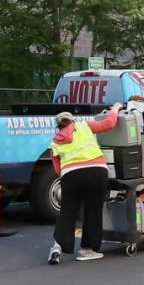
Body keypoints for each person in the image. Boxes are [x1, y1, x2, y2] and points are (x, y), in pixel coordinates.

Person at [47, 104, 123, 265]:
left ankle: (57, 247)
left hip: (71, 175)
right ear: (72, 121)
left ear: (58, 126)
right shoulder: (84, 126)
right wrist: (115, 108)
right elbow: (108, 124)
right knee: (93, 211)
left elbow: (57, 168)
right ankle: (87, 250)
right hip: (96, 172)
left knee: (67, 211)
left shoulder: (55, 142)